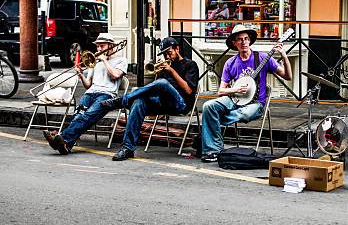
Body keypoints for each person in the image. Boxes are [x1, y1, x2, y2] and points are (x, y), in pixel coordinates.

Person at [200, 24, 292, 163]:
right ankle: (213, 151)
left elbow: (287, 76)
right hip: (235, 100)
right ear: (234, 43)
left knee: (243, 113)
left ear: (250, 41)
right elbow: (221, 91)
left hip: (256, 104)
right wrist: (235, 90)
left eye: (246, 39)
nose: (244, 42)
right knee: (208, 106)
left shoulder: (262, 58)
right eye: (240, 39)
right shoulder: (230, 63)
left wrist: (284, 56)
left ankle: (215, 123)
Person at [101, 37, 199, 161]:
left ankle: (122, 100)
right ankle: (127, 148)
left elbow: (189, 90)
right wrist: (158, 74)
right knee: (138, 102)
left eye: (169, 52)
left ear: (177, 48)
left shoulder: (190, 65)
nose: (167, 56)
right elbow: (155, 88)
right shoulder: (165, 67)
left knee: (162, 83)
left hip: (181, 104)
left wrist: (171, 71)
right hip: (163, 102)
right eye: (164, 54)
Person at [43, 33, 128, 154]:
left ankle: (62, 137)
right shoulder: (95, 61)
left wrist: (104, 61)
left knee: (88, 115)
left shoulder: (121, 60)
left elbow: (115, 75)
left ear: (111, 45)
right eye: (97, 46)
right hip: (90, 92)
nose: (98, 49)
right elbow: (88, 84)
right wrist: (81, 74)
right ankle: (65, 145)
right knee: (78, 114)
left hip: (107, 95)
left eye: (102, 46)